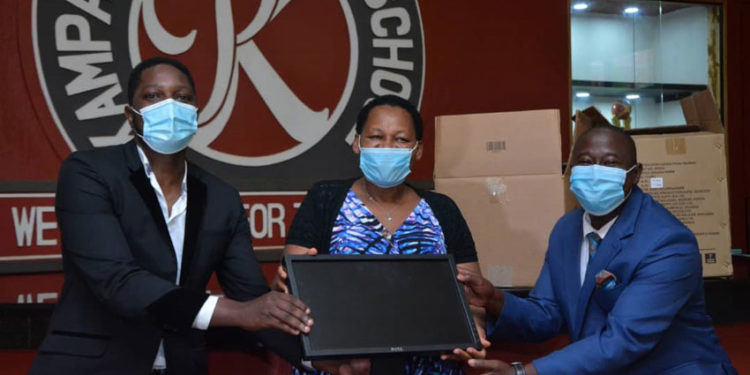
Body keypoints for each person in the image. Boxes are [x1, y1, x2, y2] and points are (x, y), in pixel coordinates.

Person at [28, 57, 316, 375]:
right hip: (92, 366)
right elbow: (119, 281)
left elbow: (253, 301)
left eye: (183, 98)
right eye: (153, 96)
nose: (170, 106)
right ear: (131, 115)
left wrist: (323, 358)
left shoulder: (222, 198)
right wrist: (240, 311)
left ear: (195, 113)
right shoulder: (88, 173)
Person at [458, 125, 738, 375]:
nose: (595, 172)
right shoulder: (567, 229)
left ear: (635, 174)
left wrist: (523, 372)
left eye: (610, 164)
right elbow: (548, 313)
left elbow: (624, 339)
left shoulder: (668, 241)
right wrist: (493, 298)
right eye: (585, 162)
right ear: (571, 170)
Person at [273, 94, 490, 375]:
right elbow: (291, 290)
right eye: (376, 136)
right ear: (357, 143)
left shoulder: (442, 210)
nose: (387, 147)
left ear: (418, 150)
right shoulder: (324, 200)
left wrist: (475, 331)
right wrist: (287, 288)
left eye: (400, 140)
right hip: (344, 369)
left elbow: (472, 299)